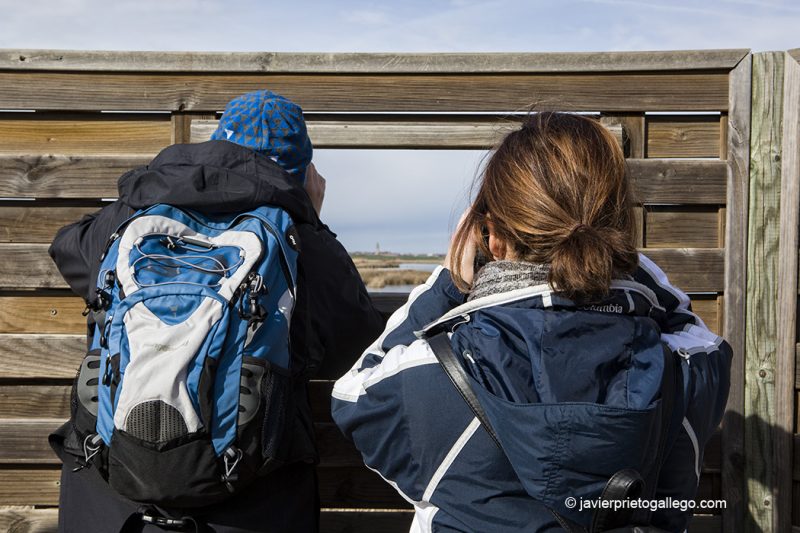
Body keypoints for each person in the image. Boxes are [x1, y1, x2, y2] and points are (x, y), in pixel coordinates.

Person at [332, 112, 731, 532]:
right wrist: (623, 266)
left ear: (492, 236)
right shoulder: (686, 373)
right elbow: (687, 322)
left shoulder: (428, 379)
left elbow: (351, 395)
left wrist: (447, 284)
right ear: (616, 233)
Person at [49, 89, 385, 532]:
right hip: (249, 497)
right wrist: (311, 217)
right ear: (303, 170)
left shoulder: (135, 213)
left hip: (110, 493)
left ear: (218, 142)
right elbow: (355, 345)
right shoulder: (304, 242)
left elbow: (67, 248)